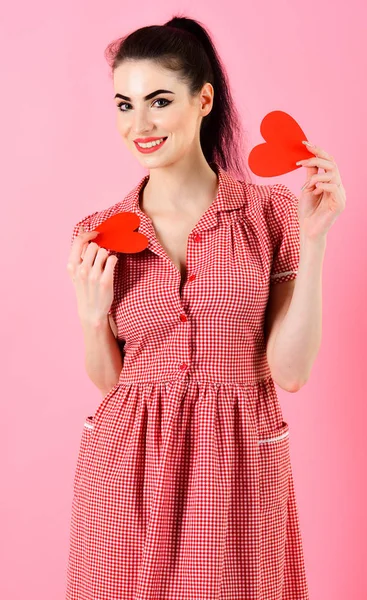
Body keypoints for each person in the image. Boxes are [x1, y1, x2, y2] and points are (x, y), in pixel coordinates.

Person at [65, 14, 311, 600]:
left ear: (204, 101)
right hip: (125, 467)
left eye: (158, 101)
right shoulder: (100, 232)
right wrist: (92, 315)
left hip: (237, 465)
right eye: (124, 104)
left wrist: (317, 238)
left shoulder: (270, 214)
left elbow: (291, 373)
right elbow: (110, 382)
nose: (139, 124)